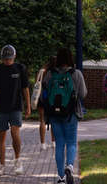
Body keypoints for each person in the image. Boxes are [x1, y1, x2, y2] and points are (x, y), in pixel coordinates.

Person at [44, 47, 86, 184]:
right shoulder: (76, 73)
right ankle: (70, 166)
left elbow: (45, 92)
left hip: (54, 114)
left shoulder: (50, 74)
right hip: (71, 113)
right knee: (71, 142)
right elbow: (82, 94)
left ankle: (61, 176)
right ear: (70, 58)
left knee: (60, 144)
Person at [0, 45, 30, 176]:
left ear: (14, 57)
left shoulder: (20, 68)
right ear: (2, 58)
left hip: (16, 106)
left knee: (15, 134)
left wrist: (28, 106)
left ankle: (17, 160)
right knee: (1, 136)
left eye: (10, 59)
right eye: (5, 59)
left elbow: (25, 88)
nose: (7, 61)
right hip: (1, 107)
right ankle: (2, 165)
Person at [35, 56, 57, 150]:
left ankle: (42, 143)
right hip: (53, 99)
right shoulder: (56, 73)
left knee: (42, 121)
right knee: (53, 121)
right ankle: (53, 142)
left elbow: (37, 83)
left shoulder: (42, 72)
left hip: (41, 98)